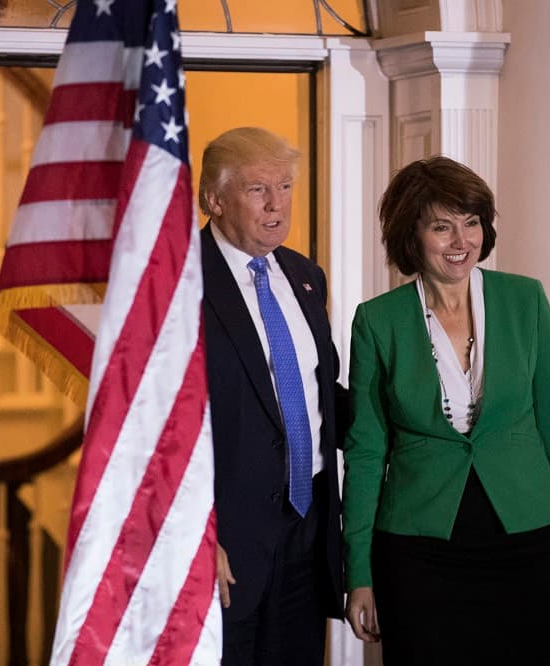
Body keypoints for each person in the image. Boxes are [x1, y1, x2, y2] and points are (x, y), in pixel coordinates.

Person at [342, 156, 550, 664]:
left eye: (471, 223)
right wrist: (359, 574)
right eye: (442, 227)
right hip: (419, 551)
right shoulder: (377, 321)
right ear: (410, 234)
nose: (462, 241)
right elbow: (366, 452)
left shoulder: (524, 300)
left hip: (525, 542)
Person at [199, 127, 344, 665]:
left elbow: (318, 394)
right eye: (259, 189)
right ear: (214, 200)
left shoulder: (305, 276)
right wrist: (198, 535)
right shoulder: (179, 281)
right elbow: (161, 427)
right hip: (225, 544)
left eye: (284, 187)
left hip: (306, 532)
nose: (277, 205)